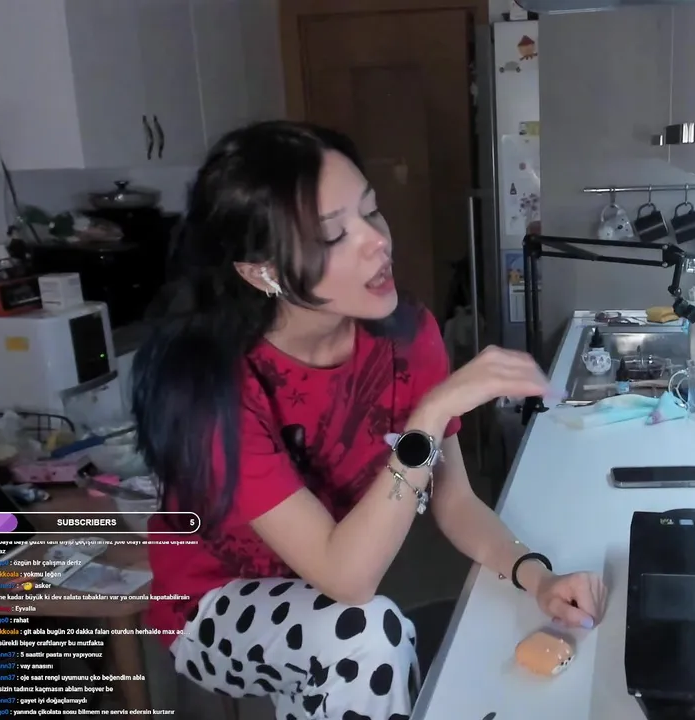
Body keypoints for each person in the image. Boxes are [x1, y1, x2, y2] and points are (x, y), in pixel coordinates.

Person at [132, 120, 606, 720]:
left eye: (371, 211)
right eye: (333, 235)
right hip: (208, 600)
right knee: (365, 634)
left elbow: (454, 501)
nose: (377, 241)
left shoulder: (408, 337)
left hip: (322, 584)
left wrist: (537, 577)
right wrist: (430, 415)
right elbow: (348, 579)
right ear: (262, 272)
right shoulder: (216, 388)